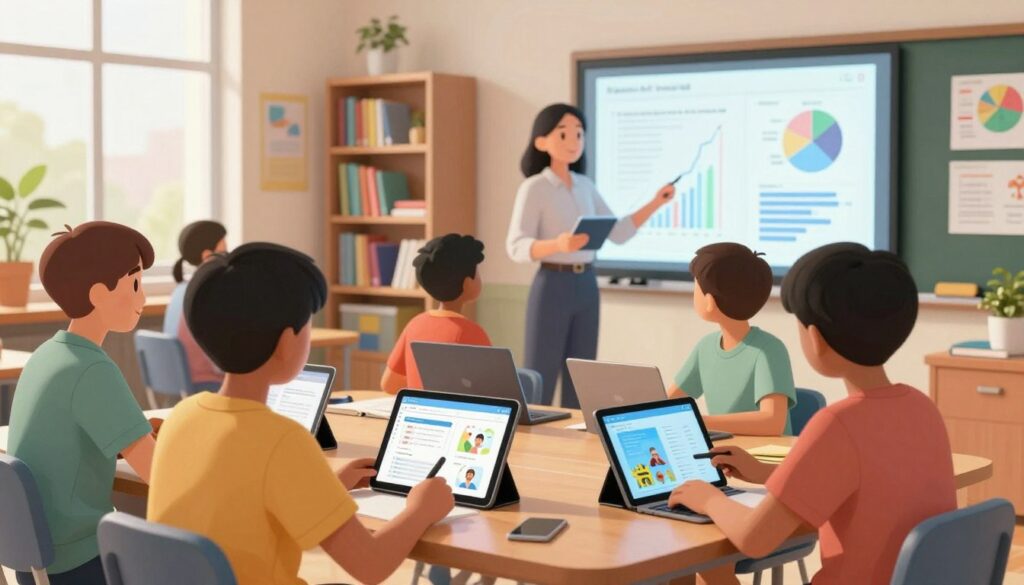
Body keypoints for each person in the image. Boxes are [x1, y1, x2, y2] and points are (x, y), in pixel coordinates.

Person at [147, 243, 454, 585]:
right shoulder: (281, 440)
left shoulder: (182, 417)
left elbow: (243, 504)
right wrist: (421, 510)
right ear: (286, 341)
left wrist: (327, 489)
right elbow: (372, 566)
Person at [668, 243, 956, 585]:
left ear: (814, 338)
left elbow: (754, 539)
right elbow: (862, 478)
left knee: (696, 558)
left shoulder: (838, 424)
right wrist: (765, 473)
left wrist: (709, 498)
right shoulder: (922, 409)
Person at [8, 222, 158, 585]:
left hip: (32, 562)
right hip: (77, 565)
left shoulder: (48, 354)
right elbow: (158, 471)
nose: (143, 299)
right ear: (97, 293)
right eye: (135, 284)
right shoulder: (91, 368)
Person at [506, 103, 676, 408]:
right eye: (564, 134)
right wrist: (558, 243)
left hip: (586, 284)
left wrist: (656, 203)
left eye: (579, 134)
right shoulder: (535, 188)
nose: (574, 141)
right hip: (551, 284)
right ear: (541, 141)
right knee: (540, 372)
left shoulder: (585, 185)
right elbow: (516, 246)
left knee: (582, 375)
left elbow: (619, 231)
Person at [667, 243, 796, 436]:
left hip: (766, 460)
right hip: (726, 454)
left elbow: (772, 422)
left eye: (696, 288)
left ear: (710, 301)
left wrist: (702, 422)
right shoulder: (705, 348)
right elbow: (668, 404)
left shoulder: (769, 350)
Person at [381, 234, 491, 394]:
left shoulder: (415, 324)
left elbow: (389, 384)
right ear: (467, 283)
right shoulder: (472, 332)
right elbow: (495, 393)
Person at [166, 220, 227, 388]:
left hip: (180, 384)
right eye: (224, 252)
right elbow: (220, 363)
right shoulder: (206, 294)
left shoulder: (180, 290)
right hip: (207, 385)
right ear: (207, 256)